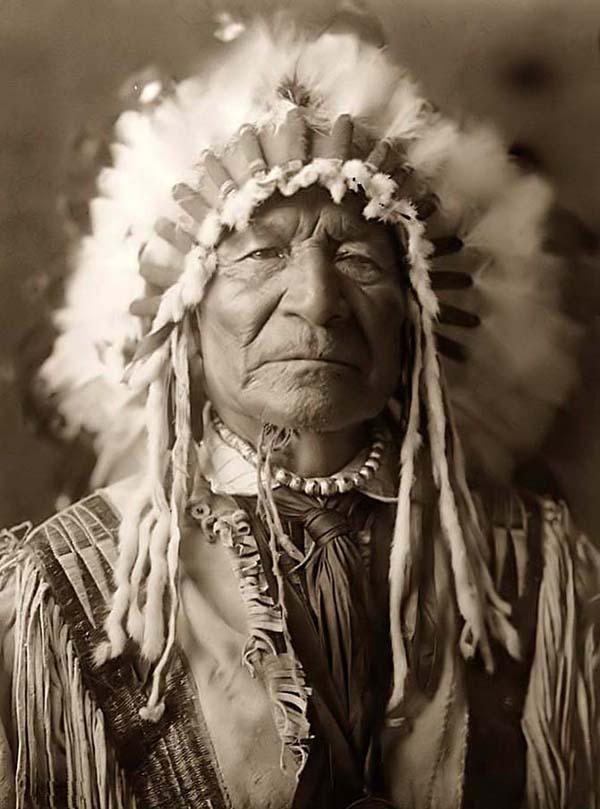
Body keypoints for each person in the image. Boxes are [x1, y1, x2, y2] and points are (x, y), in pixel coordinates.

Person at [0, 17, 598, 809]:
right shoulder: (69, 592)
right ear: (181, 313)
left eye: (357, 257)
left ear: (418, 311)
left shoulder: (534, 570)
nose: (318, 302)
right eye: (261, 254)